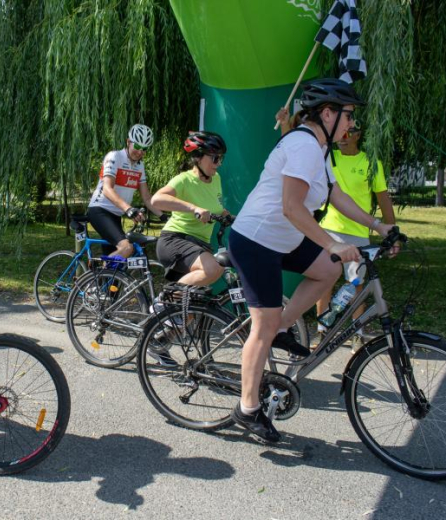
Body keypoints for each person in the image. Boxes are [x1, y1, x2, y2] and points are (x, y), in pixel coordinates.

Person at [227, 78, 396, 442]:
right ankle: (247, 408)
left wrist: (378, 225)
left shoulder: (319, 149)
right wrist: (332, 242)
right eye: (349, 116)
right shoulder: (304, 145)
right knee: (263, 326)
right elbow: (291, 206)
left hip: (282, 238)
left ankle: (284, 327)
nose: (352, 125)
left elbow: (336, 195)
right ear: (328, 113)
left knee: (327, 270)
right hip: (256, 240)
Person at [315, 121, 396, 343]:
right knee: (324, 281)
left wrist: (392, 232)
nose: (342, 136)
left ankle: (357, 333)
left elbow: (383, 198)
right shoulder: (328, 157)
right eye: (341, 132)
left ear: (357, 135)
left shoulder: (371, 162)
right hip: (329, 229)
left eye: (348, 132)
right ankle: (322, 331)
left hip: (358, 232)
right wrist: (285, 125)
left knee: (356, 284)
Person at [151, 131, 230, 287]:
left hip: (200, 245)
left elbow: (214, 205)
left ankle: (172, 308)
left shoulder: (216, 178)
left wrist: (224, 214)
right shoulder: (184, 179)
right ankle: (164, 302)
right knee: (213, 268)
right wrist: (194, 208)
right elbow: (156, 200)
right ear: (199, 157)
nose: (219, 163)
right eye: (215, 158)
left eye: (221, 158)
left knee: (193, 304)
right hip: (175, 240)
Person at [87, 124, 165, 257]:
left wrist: (163, 216)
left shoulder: (140, 166)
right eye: (138, 147)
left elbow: (146, 197)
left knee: (115, 259)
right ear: (128, 142)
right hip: (99, 210)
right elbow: (107, 189)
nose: (140, 152)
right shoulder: (114, 156)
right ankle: (96, 276)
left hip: (115, 215)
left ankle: (101, 276)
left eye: (144, 149)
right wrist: (128, 209)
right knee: (126, 248)